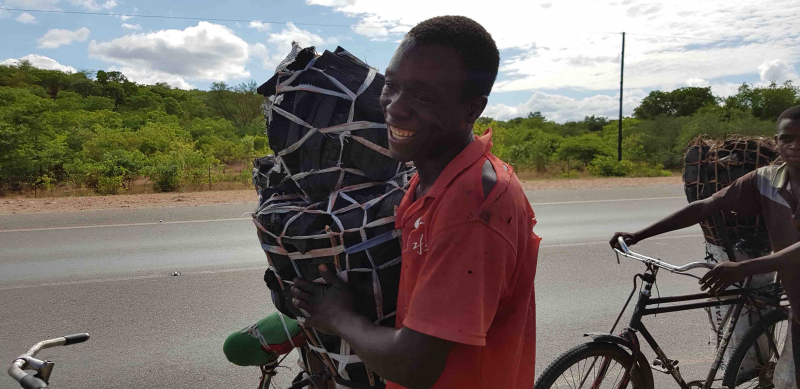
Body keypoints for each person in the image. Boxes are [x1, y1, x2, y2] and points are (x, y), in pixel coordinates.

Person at [291, 15, 540, 389]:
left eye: (423, 96)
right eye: (391, 85)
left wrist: (339, 317)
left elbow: (414, 366)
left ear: (472, 109)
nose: (394, 107)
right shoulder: (428, 179)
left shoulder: (474, 205)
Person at [610, 105, 800, 386]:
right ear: (777, 140)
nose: (794, 145)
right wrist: (640, 234)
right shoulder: (766, 179)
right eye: (787, 138)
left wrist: (744, 267)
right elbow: (707, 206)